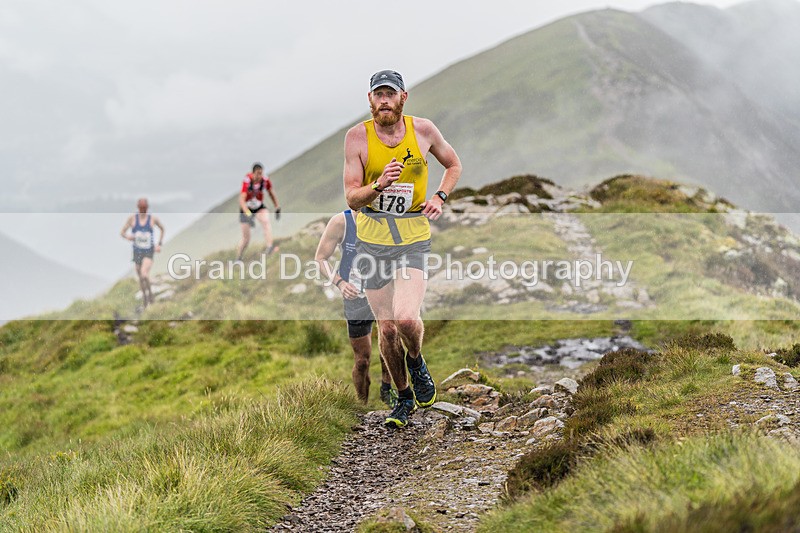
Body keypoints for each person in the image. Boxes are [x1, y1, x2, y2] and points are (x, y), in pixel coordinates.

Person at [343, 70, 462, 427]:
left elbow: (453, 164)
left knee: (407, 318)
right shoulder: (356, 138)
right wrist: (378, 185)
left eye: (389, 94)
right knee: (388, 328)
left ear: (402, 98)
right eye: (377, 95)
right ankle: (403, 396)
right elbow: (351, 197)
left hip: (412, 237)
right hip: (373, 243)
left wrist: (440, 196)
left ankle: (416, 358)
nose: (383, 101)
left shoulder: (423, 130)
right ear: (369, 100)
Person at [314, 209, 397, 407]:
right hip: (355, 298)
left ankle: (388, 389)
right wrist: (340, 283)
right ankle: (362, 407)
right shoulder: (342, 221)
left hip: (384, 292)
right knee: (362, 361)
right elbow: (320, 258)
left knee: (390, 341)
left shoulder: (386, 216)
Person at [120, 198, 165, 308]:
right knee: (140, 276)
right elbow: (122, 232)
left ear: (147, 208)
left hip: (148, 250)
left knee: (144, 274)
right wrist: (128, 237)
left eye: (145, 208)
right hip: (137, 251)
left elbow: (162, 229)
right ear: (138, 207)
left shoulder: (152, 219)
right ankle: (145, 297)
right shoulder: (132, 219)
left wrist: (159, 244)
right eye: (141, 208)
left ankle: (150, 297)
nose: (143, 210)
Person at [237, 162, 281, 261]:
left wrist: (277, 207)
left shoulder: (265, 180)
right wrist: (248, 214)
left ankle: (269, 247)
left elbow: (271, 194)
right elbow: (241, 200)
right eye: (258, 173)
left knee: (266, 222)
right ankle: (239, 257)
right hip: (246, 209)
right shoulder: (247, 180)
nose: (260, 176)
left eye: (261, 173)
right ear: (253, 173)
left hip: (258, 206)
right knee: (246, 238)